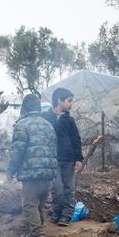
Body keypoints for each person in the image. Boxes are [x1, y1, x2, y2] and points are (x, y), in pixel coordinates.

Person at [7, 95, 58, 237]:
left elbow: (17, 151)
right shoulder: (48, 124)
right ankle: (33, 233)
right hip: (47, 172)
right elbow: (54, 148)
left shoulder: (22, 125)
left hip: (31, 173)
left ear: (24, 108)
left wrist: (11, 170)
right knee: (39, 205)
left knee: (29, 205)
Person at [42, 88, 83, 226]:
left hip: (69, 159)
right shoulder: (47, 118)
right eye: (69, 101)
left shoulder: (69, 120)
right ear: (59, 100)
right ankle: (56, 211)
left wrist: (79, 158)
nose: (71, 104)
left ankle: (66, 215)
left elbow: (76, 139)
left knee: (69, 187)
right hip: (53, 159)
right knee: (56, 188)